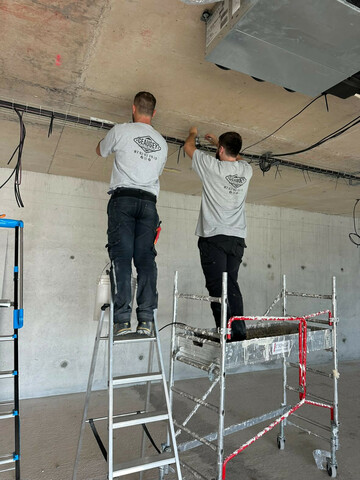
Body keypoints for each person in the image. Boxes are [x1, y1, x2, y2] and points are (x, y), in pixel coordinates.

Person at [96, 91, 168, 336]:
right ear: (154, 113)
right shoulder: (162, 142)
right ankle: (146, 320)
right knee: (146, 260)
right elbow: (157, 171)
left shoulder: (121, 130)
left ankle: (123, 321)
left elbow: (101, 151)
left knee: (122, 258)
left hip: (123, 200)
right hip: (149, 204)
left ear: (134, 108)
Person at [184, 127, 252, 341]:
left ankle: (225, 333)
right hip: (237, 239)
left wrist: (192, 132)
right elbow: (237, 157)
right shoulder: (246, 170)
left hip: (214, 237)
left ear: (221, 150)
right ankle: (238, 332)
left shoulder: (212, 167)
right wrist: (218, 145)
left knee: (217, 287)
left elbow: (188, 147)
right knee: (231, 283)